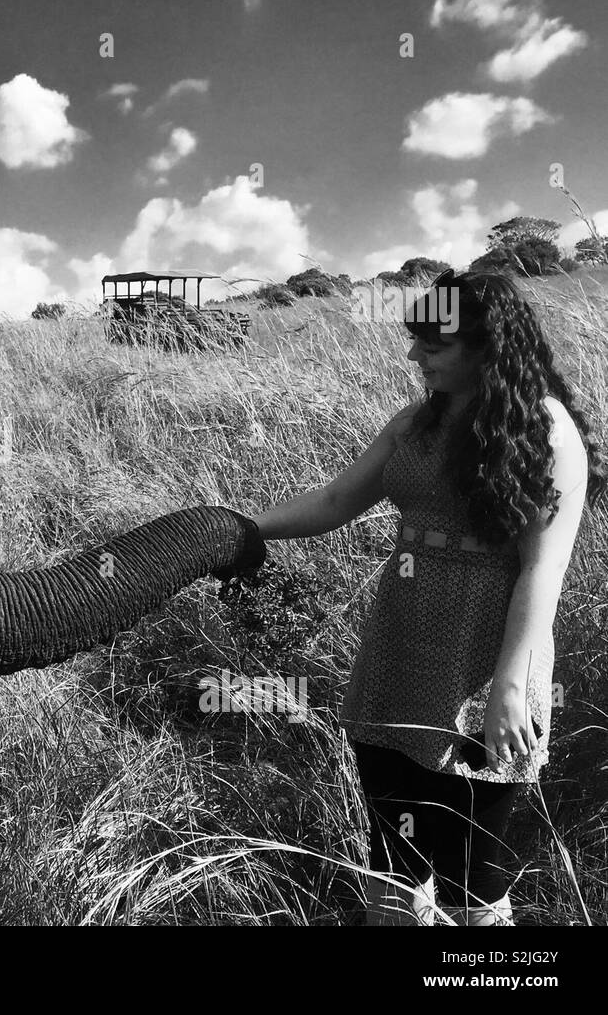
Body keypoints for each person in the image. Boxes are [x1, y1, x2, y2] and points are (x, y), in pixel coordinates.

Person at [248, 269, 603, 925]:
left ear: (486, 345)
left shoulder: (546, 433)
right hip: (399, 650)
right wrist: (246, 528)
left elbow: (539, 572)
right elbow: (334, 500)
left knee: (475, 874)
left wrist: (510, 687)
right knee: (393, 857)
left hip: (487, 662)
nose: (415, 357)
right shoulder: (415, 422)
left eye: (433, 345)